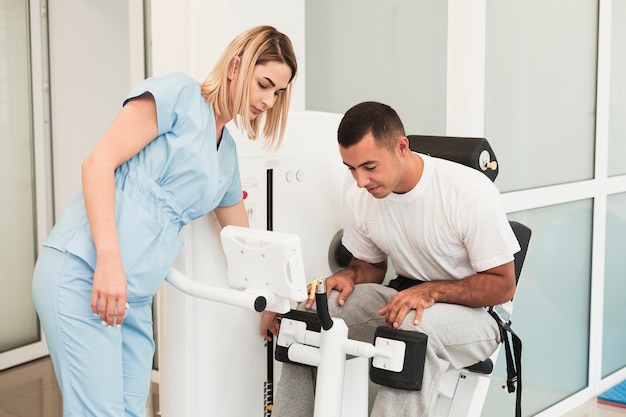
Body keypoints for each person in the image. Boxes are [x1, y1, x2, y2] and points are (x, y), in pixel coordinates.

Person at [32, 25, 297, 417]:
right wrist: (108, 260)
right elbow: (97, 164)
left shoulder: (227, 156)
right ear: (236, 66)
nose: (269, 100)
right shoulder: (179, 95)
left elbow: (243, 241)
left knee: (130, 411)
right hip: (84, 272)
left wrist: (273, 300)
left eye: (278, 93)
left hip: (134, 297)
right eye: (264, 84)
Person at [263, 101, 521, 417]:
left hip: (478, 316)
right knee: (312, 311)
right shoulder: (360, 195)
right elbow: (369, 267)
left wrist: (432, 291)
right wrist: (350, 276)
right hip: (405, 299)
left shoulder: (468, 193)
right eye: (351, 168)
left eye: (370, 167)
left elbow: (503, 286)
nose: (360, 180)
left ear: (401, 147)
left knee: (411, 332)